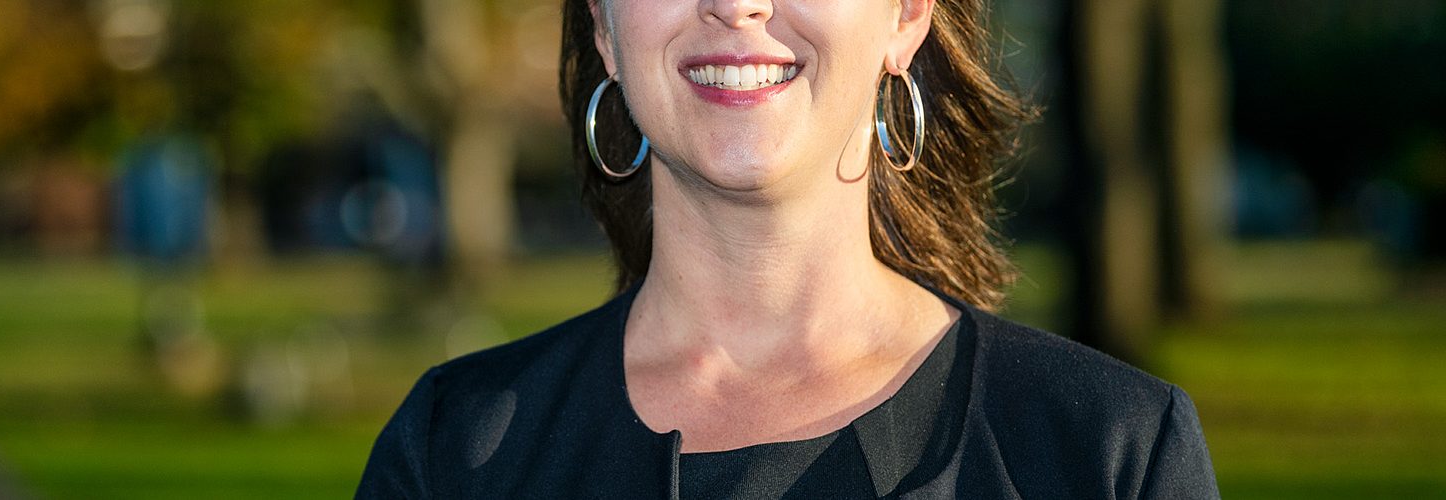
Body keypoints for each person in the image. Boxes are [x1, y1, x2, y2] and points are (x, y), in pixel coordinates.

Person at [357, 0, 1219, 497]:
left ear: (906, 15)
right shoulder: (453, 454)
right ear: (605, 26)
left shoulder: (1109, 455)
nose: (737, 4)